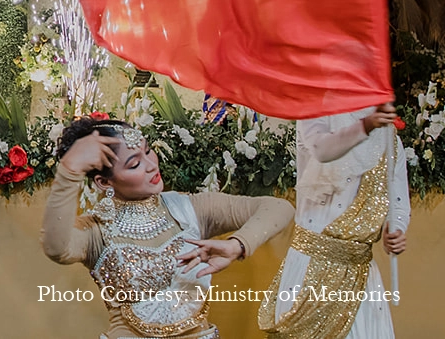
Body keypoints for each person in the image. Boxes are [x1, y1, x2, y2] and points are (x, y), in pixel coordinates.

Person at [42, 116, 293, 339]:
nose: (151, 164)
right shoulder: (95, 230)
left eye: (148, 151)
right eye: (134, 164)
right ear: (104, 182)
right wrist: (69, 172)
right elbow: (56, 247)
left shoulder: (190, 209)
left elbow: (279, 208)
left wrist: (237, 244)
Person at [260, 102, 408, 338]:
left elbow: (397, 199)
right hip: (311, 265)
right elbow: (323, 150)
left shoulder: (389, 137)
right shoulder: (317, 114)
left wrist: (396, 228)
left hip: (361, 275)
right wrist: (367, 126)